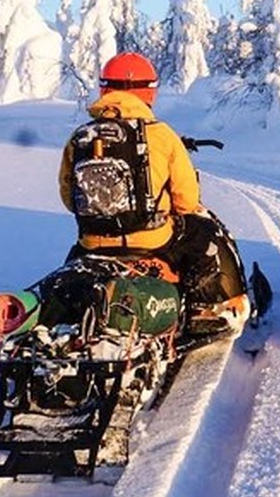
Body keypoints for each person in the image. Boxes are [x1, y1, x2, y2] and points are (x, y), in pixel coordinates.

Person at [58, 52, 249, 333]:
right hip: (154, 240)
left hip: (92, 243)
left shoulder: (81, 137)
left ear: (104, 88)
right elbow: (186, 201)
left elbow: (68, 197)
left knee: (73, 266)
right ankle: (205, 306)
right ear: (148, 91)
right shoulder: (161, 134)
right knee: (204, 230)